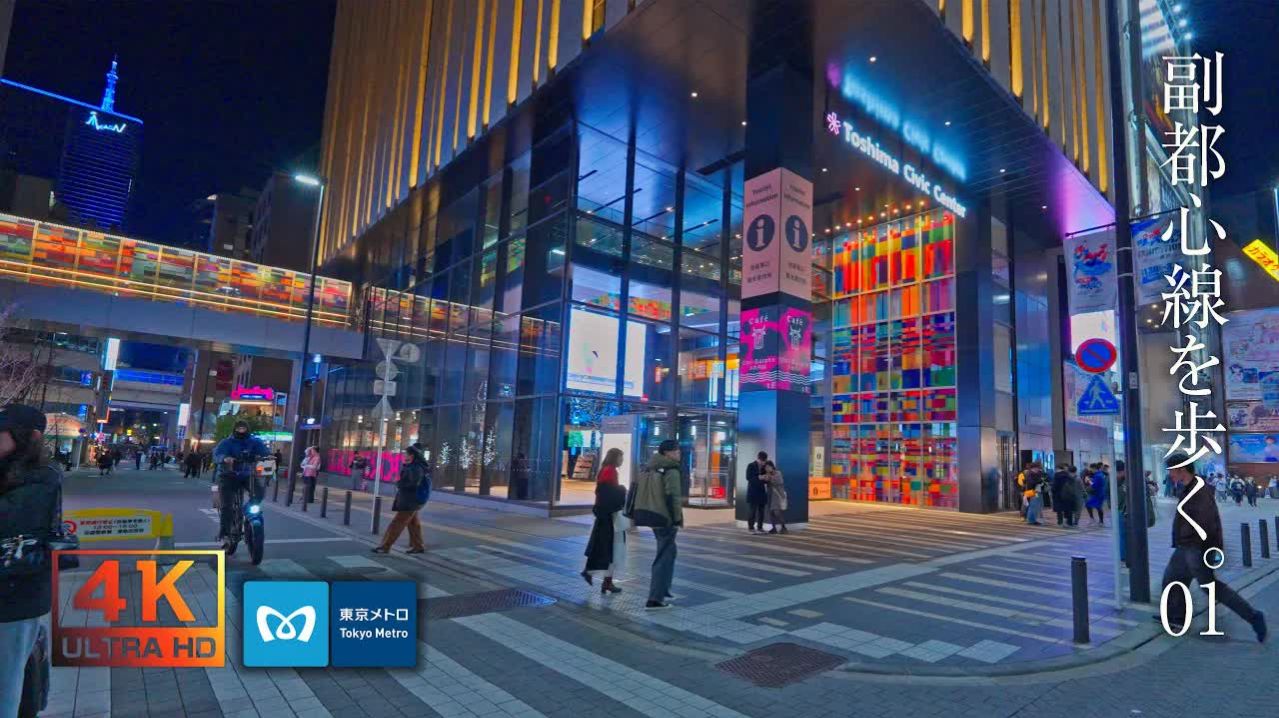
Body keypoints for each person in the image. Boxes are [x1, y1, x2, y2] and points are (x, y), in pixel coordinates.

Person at [1160, 451, 1267, 643]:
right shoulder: (1188, 488)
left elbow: (1208, 523)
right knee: (1172, 579)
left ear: (1182, 469)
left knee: (1212, 588)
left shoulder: (1199, 491)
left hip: (1196, 548)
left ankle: (1253, 616)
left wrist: (1208, 552)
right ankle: (1175, 617)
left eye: (1172, 470)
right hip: (1186, 546)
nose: (1170, 474)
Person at [0, 405, 64, 715]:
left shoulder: (42, 478)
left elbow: (9, 522)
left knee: (4, 687)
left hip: (14, 599)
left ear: (29, 437)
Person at [629, 439, 683, 610]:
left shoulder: (648, 467)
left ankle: (664, 590)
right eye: (676, 450)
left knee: (669, 552)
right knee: (664, 556)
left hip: (651, 515)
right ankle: (655, 599)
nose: (679, 453)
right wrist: (676, 519)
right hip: (665, 518)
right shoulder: (671, 469)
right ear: (668, 453)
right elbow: (673, 497)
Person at [212, 420, 271, 548]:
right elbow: (217, 454)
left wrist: (268, 456)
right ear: (235, 429)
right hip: (228, 476)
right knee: (227, 505)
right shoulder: (227, 442)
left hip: (247, 475)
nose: (241, 431)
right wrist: (224, 458)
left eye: (244, 428)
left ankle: (245, 511)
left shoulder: (254, 441)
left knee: (259, 493)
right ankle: (225, 534)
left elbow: (264, 451)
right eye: (239, 428)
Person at [582, 448, 627, 594]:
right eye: (621, 457)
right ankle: (597, 577)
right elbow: (608, 492)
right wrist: (622, 490)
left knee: (605, 547)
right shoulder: (610, 471)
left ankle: (604, 580)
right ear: (615, 458)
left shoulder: (606, 470)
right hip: (609, 516)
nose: (622, 460)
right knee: (611, 548)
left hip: (604, 514)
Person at [373, 443, 428, 554]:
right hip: (411, 500)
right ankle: (418, 546)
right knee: (413, 524)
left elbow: (413, 483)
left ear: (412, 455)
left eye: (406, 454)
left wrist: (399, 483)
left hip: (410, 501)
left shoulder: (416, 467)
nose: (404, 456)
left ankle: (385, 546)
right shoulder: (413, 466)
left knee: (397, 523)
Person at [745, 451, 769, 534]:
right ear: (758, 458)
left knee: (761, 511)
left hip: (762, 492)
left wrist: (766, 479)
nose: (763, 463)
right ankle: (751, 528)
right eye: (762, 461)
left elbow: (766, 479)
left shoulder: (764, 467)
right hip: (753, 491)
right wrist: (759, 478)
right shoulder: (751, 465)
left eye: (764, 461)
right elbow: (748, 478)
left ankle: (760, 527)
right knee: (752, 511)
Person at [765, 461, 789, 534]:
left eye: (768, 467)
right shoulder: (767, 474)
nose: (767, 469)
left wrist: (770, 477)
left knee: (777, 512)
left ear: (772, 467)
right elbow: (766, 482)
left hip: (777, 495)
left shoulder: (778, 473)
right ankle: (774, 528)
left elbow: (779, 481)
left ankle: (784, 527)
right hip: (770, 495)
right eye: (766, 467)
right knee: (771, 512)